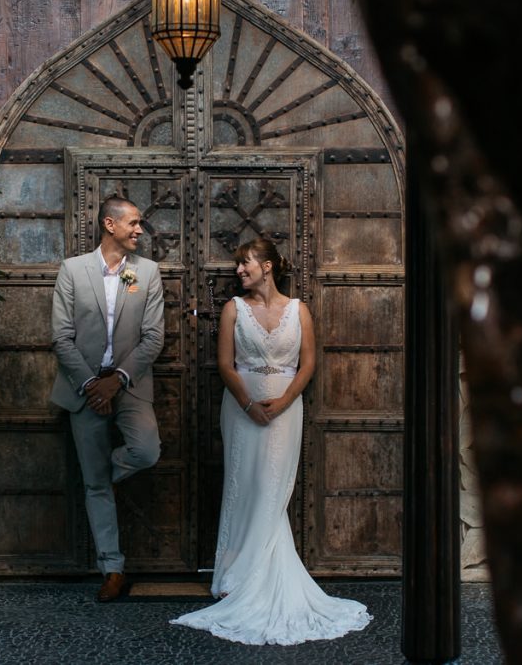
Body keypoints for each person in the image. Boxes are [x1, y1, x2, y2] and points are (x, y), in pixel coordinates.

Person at [171, 238, 372, 644]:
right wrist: (248, 404)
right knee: (242, 485)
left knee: (272, 488)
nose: (238, 272)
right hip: (242, 409)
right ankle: (234, 575)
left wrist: (281, 402)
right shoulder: (232, 309)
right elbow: (225, 365)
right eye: (237, 266)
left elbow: (309, 363)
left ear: (267, 266)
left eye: (244, 264)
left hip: (285, 408)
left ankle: (254, 573)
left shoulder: (299, 311)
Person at [49, 197, 165, 602]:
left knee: (145, 451)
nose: (139, 230)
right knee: (96, 486)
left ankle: (102, 478)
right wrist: (90, 386)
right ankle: (112, 570)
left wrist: (115, 381)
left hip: (128, 385)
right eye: (133, 223)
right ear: (109, 224)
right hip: (83, 389)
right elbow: (61, 338)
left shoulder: (146, 273)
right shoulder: (73, 270)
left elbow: (154, 338)